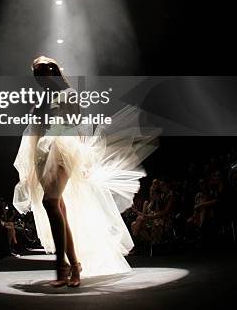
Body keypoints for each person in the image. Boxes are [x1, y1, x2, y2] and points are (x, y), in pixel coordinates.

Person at [13, 55, 160, 287]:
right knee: (58, 207)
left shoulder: (68, 94)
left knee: (51, 204)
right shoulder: (41, 98)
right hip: (41, 155)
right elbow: (35, 129)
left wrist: (78, 158)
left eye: (42, 74)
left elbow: (76, 125)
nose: (40, 79)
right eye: (37, 76)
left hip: (62, 151)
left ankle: (63, 267)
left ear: (52, 73)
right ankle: (73, 265)